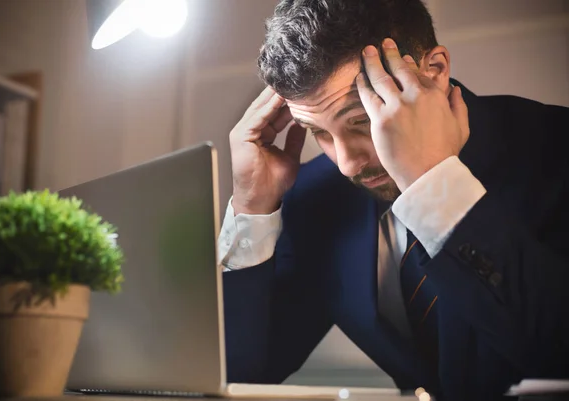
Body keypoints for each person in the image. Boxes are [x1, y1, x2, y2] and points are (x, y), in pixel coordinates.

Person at [217, 0, 569, 399]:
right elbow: (237, 375)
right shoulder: (316, 202)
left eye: (362, 119)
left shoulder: (556, 147)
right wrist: (251, 207)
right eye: (319, 132)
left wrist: (435, 182)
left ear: (433, 72)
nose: (347, 164)